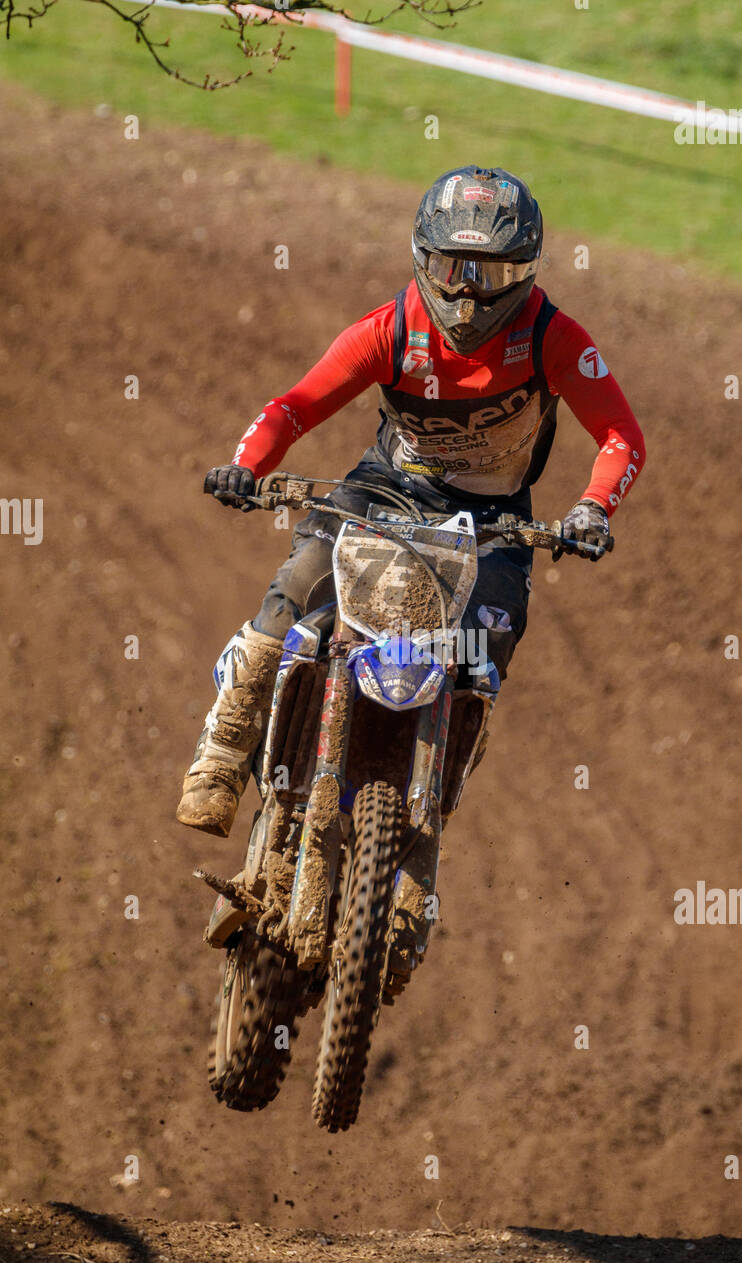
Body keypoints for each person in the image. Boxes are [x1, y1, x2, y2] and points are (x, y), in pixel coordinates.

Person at [177, 165, 645, 838]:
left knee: (485, 651)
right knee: (296, 589)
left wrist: (592, 508)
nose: (467, 295)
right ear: (423, 259)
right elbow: (295, 406)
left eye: (490, 275)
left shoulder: (554, 339)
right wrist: (245, 466)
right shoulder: (391, 330)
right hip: (385, 489)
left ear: (528, 271)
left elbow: (621, 436)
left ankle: (433, 803)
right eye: (452, 269)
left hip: (494, 517)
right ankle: (220, 755)